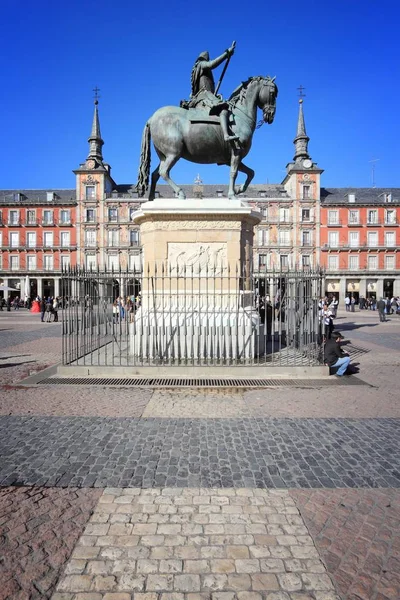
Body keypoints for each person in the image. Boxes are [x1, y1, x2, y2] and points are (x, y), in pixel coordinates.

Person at [180, 44, 239, 142]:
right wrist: (226, 53)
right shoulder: (201, 64)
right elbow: (212, 64)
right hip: (205, 95)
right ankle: (226, 135)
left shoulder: (197, 69)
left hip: (204, 95)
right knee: (223, 108)